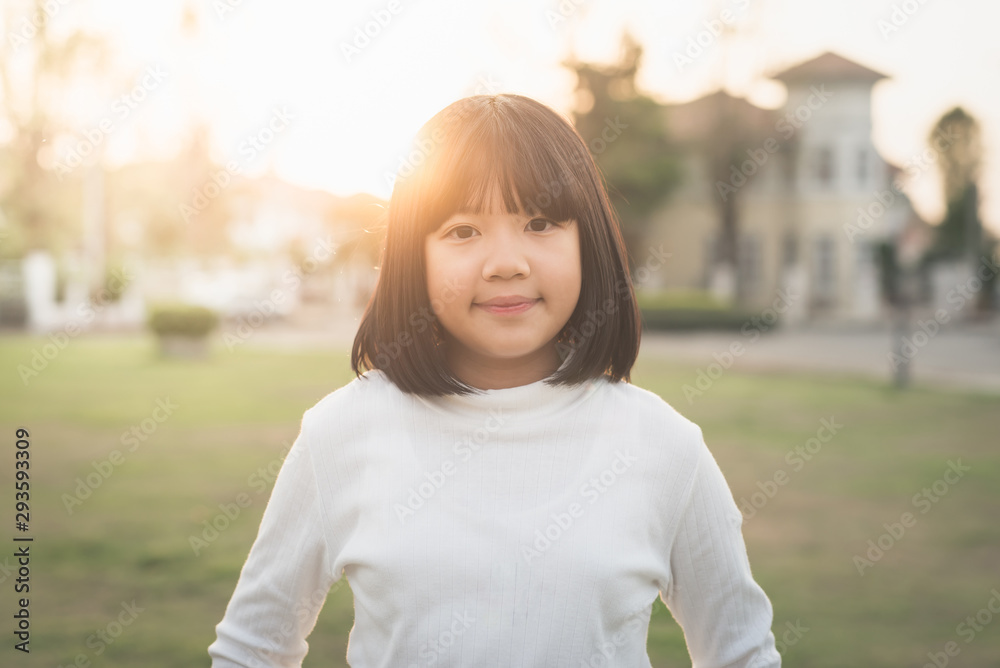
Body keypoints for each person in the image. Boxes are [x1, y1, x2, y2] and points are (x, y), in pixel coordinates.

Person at [208, 93, 781, 667]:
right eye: (462, 231)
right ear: (415, 256)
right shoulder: (340, 433)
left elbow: (742, 654)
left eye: (539, 222)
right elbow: (251, 649)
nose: (506, 262)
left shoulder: (665, 446)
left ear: (590, 242)